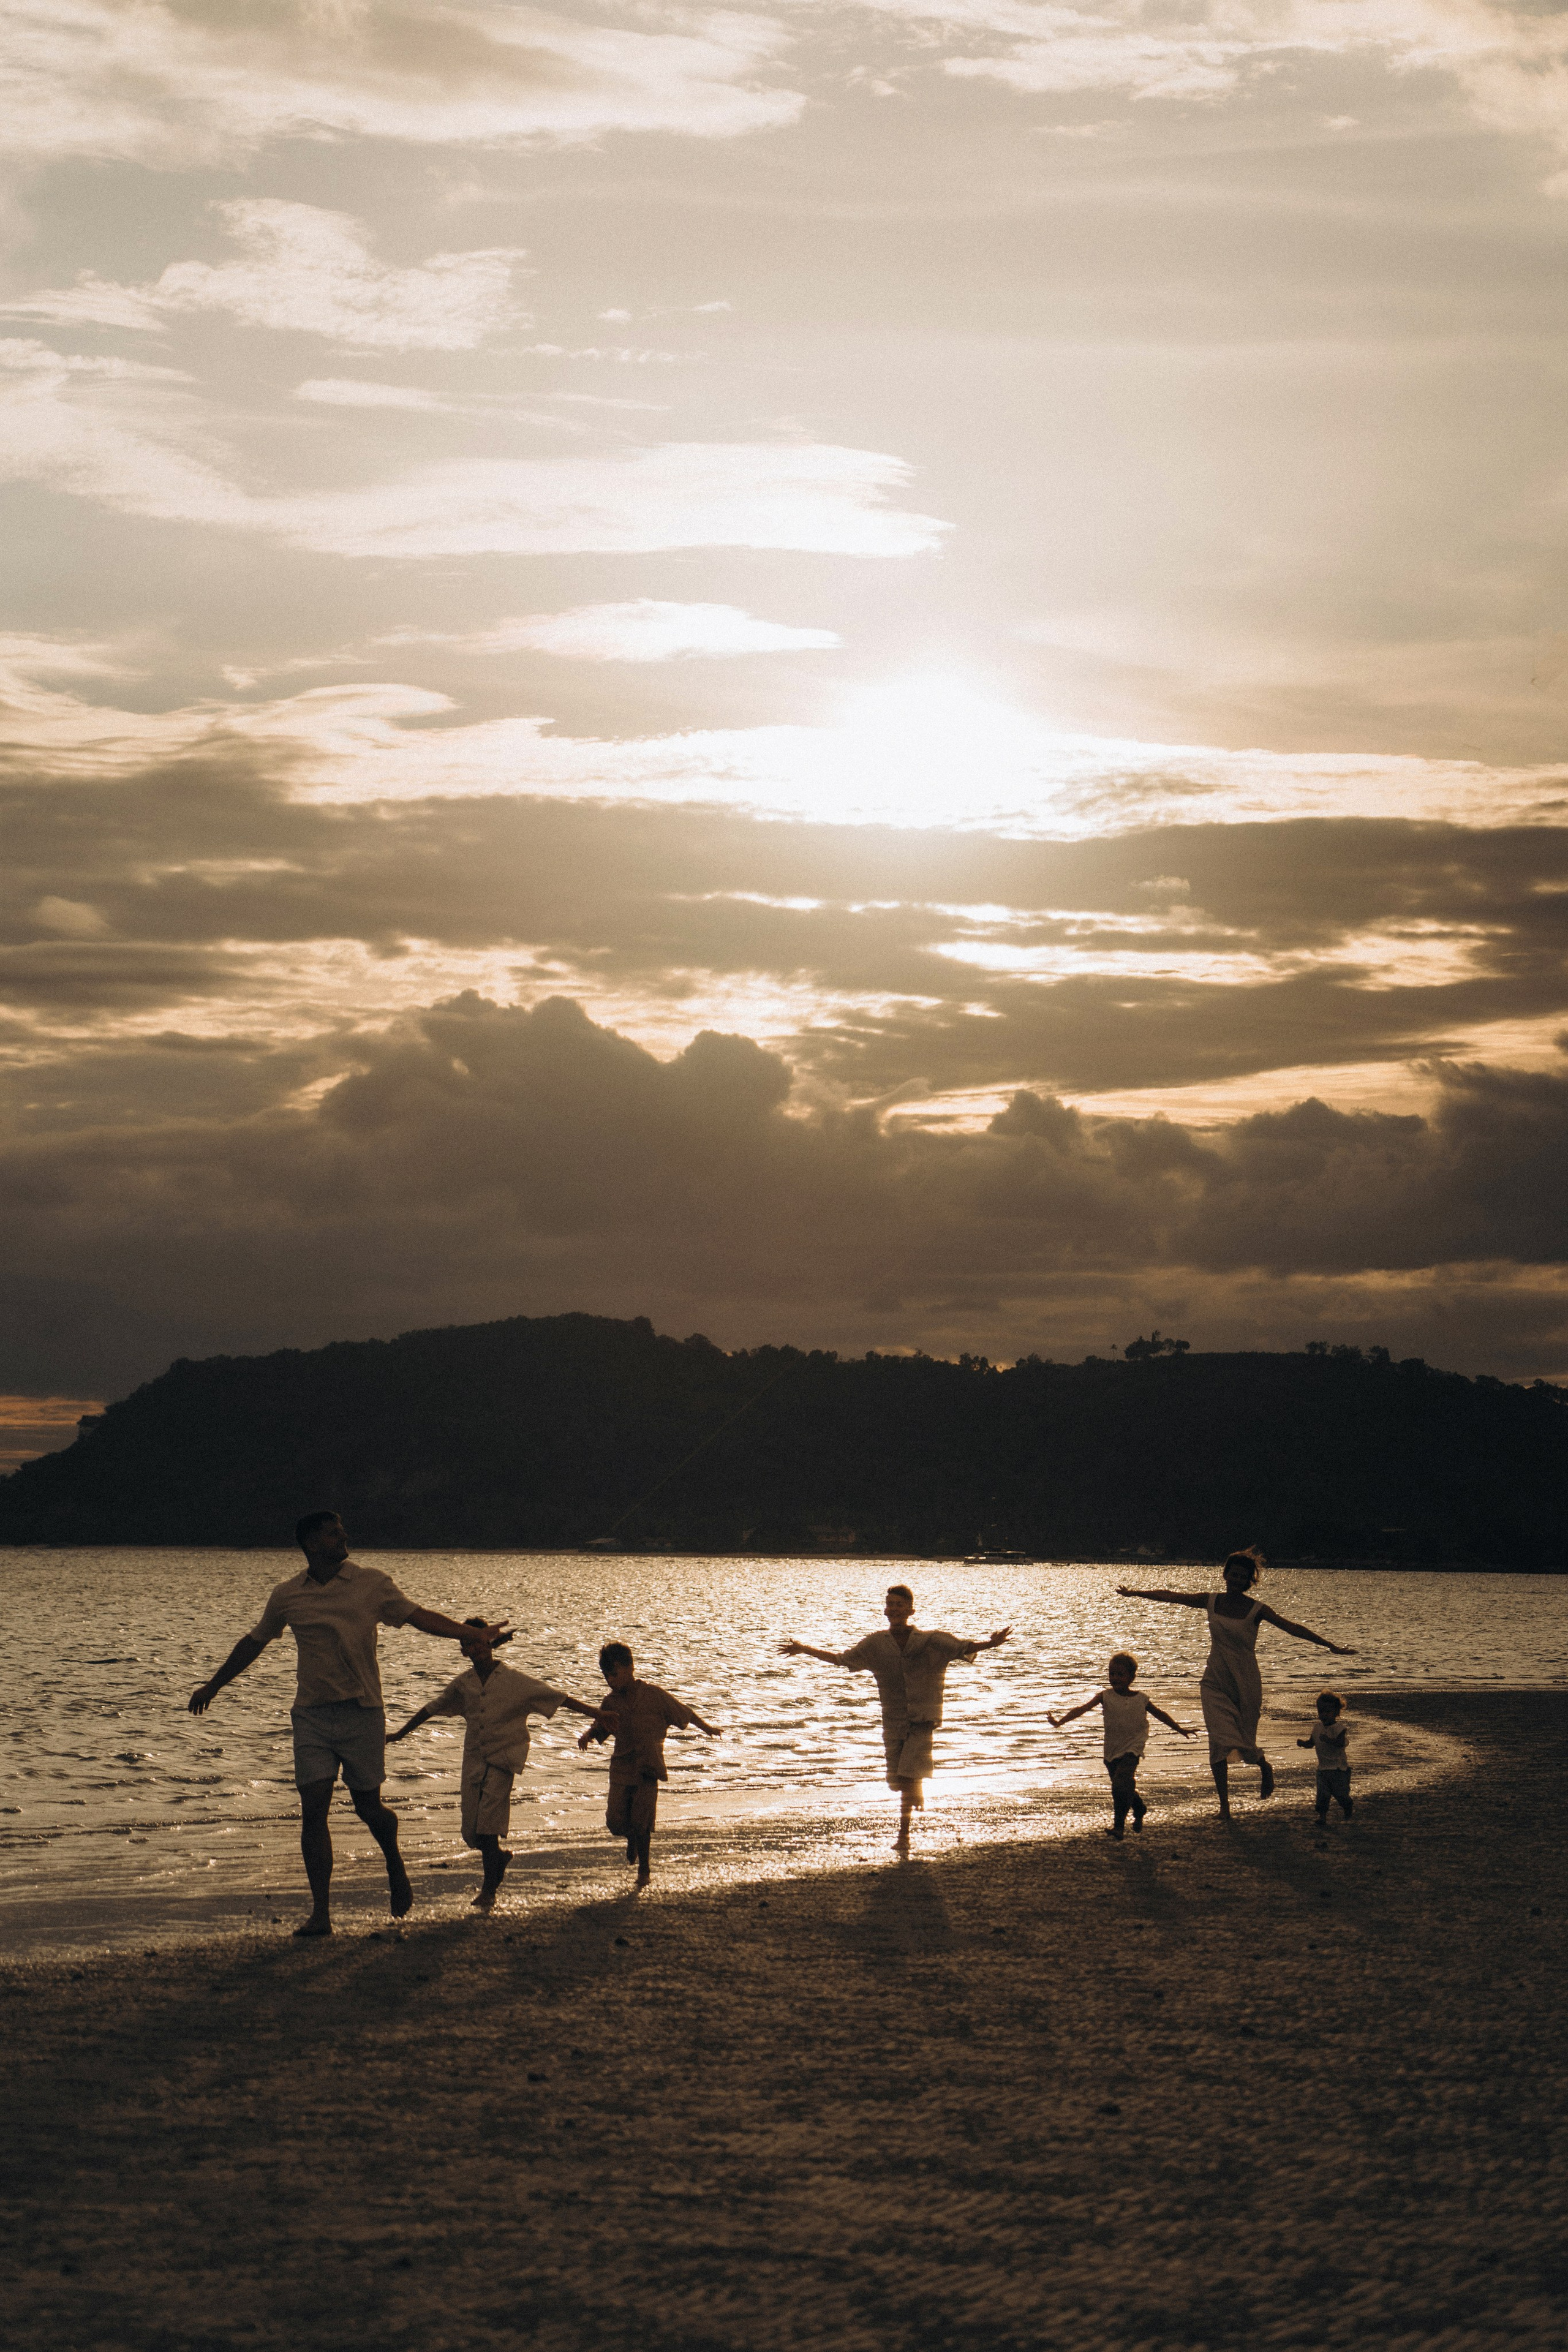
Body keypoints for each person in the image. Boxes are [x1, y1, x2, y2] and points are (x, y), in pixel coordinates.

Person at [187, 1510, 507, 1937]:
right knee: (313, 1810)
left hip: (363, 1713)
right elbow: (254, 1642)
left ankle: (393, 1861)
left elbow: (419, 1616)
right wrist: (213, 1686)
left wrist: (471, 1635)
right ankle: (321, 1913)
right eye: (334, 1533)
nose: (344, 1537)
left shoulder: (371, 1583)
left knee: (368, 1807)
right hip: (312, 1716)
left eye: (341, 1531)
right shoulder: (287, 1595)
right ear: (312, 1543)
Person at [1117, 1549, 1355, 1822]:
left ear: (1249, 1581)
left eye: (1243, 1577)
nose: (1237, 1579)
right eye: (1233, 1574)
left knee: (1244, 1741)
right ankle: (1225, 1808)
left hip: (1245, 1683)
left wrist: (1330, 1646)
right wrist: (1136, 1593)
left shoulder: (1257, 1610)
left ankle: (1263, 1765)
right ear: (1226, 1574)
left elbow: (1293, 1628)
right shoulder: (1211, 1601)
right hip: (1214, 1681)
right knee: (1218, 1742)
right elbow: (1172, 1597)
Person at [389, 1618, 606, 1909]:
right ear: (463, 1650)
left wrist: (597, 1714)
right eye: (467, 1643)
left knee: (488, 1829)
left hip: (504, 1759)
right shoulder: (463, 1685)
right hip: (474, 1761)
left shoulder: (514, 1681)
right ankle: (499, 1859)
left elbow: (557, 1698)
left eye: (478, 1641)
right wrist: (400, 1734)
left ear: (489, 1643)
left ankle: (489, 1890)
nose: (474, 1647)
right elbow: (431, 1709)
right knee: (472, 1833)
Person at [780, 1584, 1011, 1852]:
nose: (894, 1609)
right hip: (893, 1720)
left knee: (908, 1776)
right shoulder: (875, 1644)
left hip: (923, 1718)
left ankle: (904, 1836)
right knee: (897, 1780)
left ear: (911, 1610)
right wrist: (805, 1650)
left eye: (900, 1605)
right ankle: (916, 1787)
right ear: (885, 1610)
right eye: (890, 1604)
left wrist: (991, 1643)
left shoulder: (931, 1640)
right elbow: (841, 1660)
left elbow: (962, 1648)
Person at [577, 1642, 721, 1889]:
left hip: (648, 1768)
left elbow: (684, 1712)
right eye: (607, 1676)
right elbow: (601, 1726)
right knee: (615, 1822)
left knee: (642, 1823)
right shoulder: (610, 1702)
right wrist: (589, 1735)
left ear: (631, 1668)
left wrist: (707, 1728)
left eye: (615, 1673)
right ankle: (630, 1838)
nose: (611, 1680)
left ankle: (644, 1870)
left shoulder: (654, 1696)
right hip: (621, 1769)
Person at [1048, 1651, 1194, 1838]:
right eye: (1112, 1674)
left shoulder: (1141, 1699)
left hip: (1133, 1748)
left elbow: (1160, 1714)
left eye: (1120, 1674)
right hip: (1111, 1749)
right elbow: (1081, 1709)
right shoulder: (1105, 1696)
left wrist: (1181, 1729)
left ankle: (1119, 1827)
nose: (1115, 1678)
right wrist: (1060, 1722)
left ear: (1131, 1677)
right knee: (1122, 1785)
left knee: (1119, 1785)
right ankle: (1139, 1807)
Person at [1298, 1691, 1354, 1822]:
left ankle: (1347, 1805)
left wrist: (1328, 1740)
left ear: (1336, 1712)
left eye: (1327, 1712)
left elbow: (1340, 1743)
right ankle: (1322, 1817)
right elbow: (1312, 1743)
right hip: (1323, 1769)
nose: (1324, 1715)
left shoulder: (1339, 1728)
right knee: (1323, 1794)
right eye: (1321, 1711)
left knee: (1340, 1794)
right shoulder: (1317, 1728)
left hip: (1338, 1769)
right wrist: (1303, 1744)